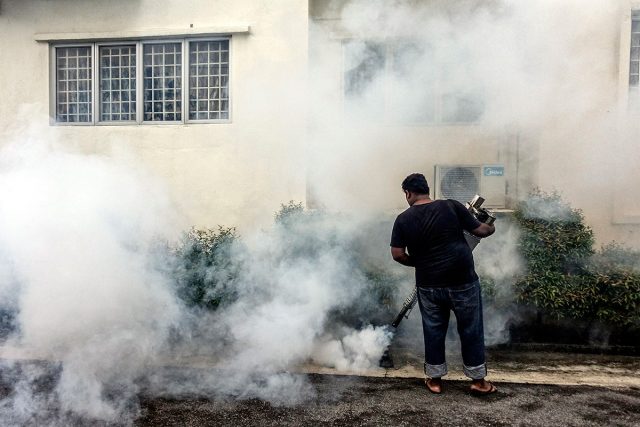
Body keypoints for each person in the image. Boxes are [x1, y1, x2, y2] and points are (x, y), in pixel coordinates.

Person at [390, 173, 496, 395]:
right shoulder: (451, 206)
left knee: (434, 330)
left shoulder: (403, 219)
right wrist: (491, 225)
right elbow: (481, 231)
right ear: (427, 189)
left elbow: (398, 254)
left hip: (429, 285)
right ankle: (478, 382)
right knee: (471, 330)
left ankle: (435, 381)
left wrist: (420, 263)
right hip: (463, 282)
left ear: (408, 193)